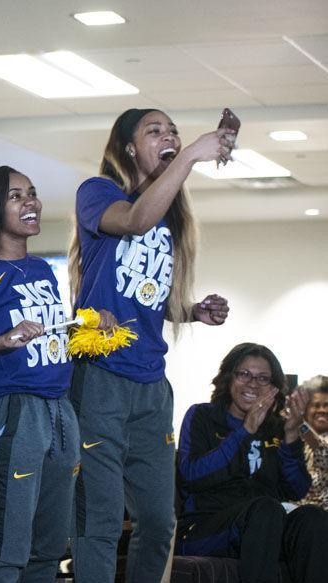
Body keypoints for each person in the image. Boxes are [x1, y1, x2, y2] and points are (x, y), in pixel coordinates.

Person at [67, 108, 233, 582]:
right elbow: (136, 220)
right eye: (154, 131)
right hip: (97, 367)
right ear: (128, 149)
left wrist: (190, 310)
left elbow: (144, 296)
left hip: (149, 381)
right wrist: (194, 154)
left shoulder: (168, 219)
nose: (170, 137)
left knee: (160, 521)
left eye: (174, 131)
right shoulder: (98, 193)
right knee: (98, 518)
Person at [0, 166, 113, 583]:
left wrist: (88, 330)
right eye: (16, 196)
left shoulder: (41, 271)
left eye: (32, 193)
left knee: (49, 547)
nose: (31, 201)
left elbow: (47, 341)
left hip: (58, 410)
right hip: (10, 411)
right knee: (8, 548)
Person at [176, 342, 328, 583]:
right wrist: (244, 431)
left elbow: (296, 489)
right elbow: (191, 475)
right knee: (266, 509)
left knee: (313, 518)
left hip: (264, 529)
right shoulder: (203, 415)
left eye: (263, 378)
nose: (252, 384)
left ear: (274, 388)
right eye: (244, 374)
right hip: (207, 527)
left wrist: (290, 437)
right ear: (229, 378)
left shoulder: (276, 428)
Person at [297, 375, 328, 512]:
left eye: (327, 405)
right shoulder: (292, 438)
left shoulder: (301, 428)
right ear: (305, 409)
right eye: (315, 405)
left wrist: (298, 422)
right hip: (291, 512)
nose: (322, 410)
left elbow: (323, 451)